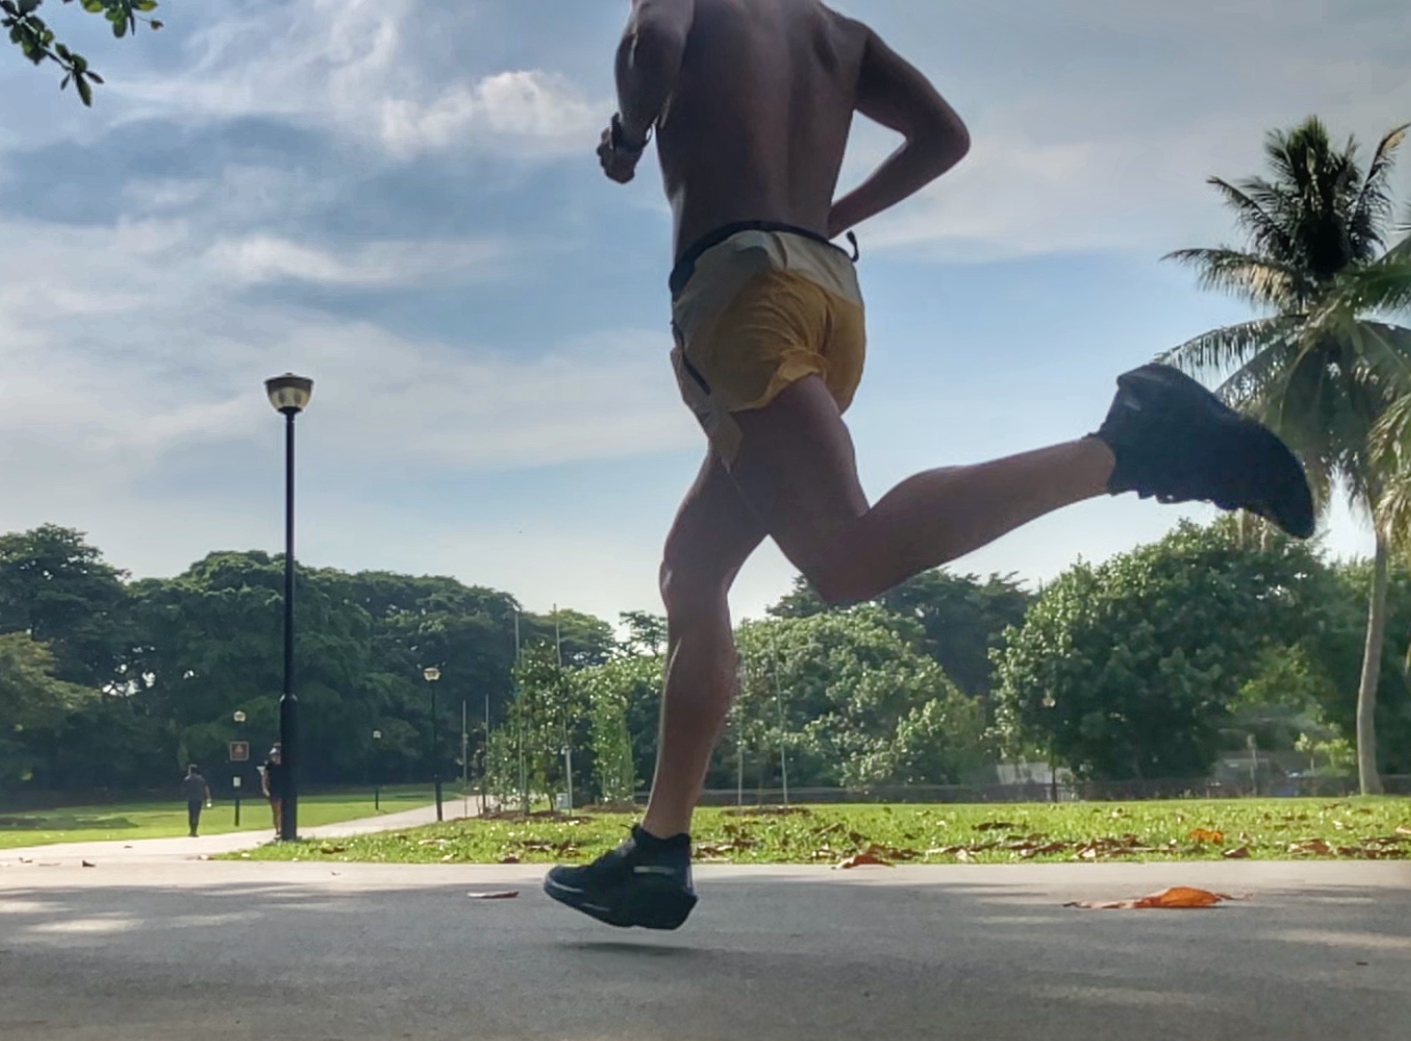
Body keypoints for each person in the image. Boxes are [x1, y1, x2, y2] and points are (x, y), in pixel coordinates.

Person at [543, 0, 1314, 931]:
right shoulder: (834, 31)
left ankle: (1126, 447)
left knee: (845, 559)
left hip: (741, 289)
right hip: (828, 291)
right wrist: (828, 213)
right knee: (691, 571)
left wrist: (629, 137)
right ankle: (657, 849)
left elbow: (654, 44)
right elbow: (943, 135)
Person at [261, 745, 289, 839]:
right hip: (273, 790)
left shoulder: (285, 765)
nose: (275, 758)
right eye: (274, 756)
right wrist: (264, 788)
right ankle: (278, 829)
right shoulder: (269, 766)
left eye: (277, 755)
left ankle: (284, 829)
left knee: (284, 811)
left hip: (283, 789)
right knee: (276, 811)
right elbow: (264, 777)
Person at [181, 764, 211, 838]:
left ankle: (191, 831)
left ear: (190, 771)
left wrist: (184, 796)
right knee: (196, 815)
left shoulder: (187, 779)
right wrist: (208, 797)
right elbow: (206, 788)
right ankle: (195, 831)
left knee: (191, 815)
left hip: (191, 799)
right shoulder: (201, 779)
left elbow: (184, 790)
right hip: (199, 799)